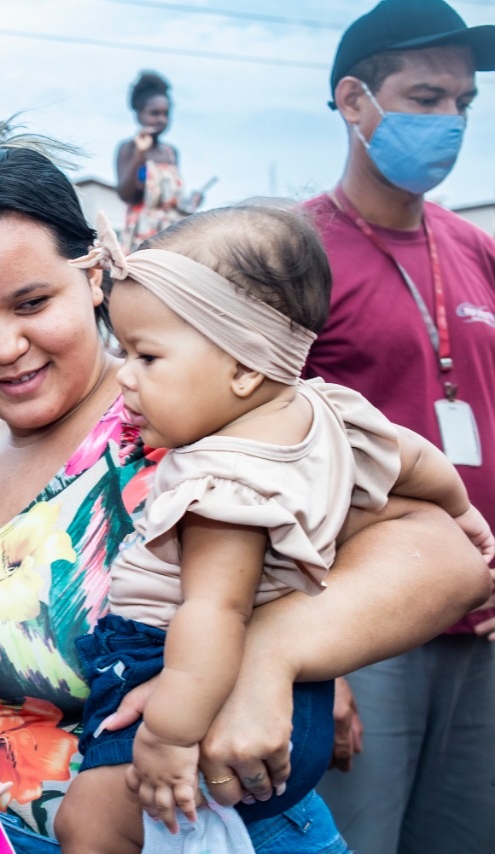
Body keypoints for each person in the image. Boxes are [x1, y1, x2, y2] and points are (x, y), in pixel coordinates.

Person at [0, 118, 495, 854]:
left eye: (31, 303)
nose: (4, 347)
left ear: (93, 278)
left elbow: (448, 558)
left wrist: (267, 657)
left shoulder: (193, 426)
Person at [53, 204, 493, 853]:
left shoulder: (221, 482)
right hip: (298, 698)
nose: (125, 375)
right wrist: (465, 516)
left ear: (244, 367)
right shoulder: (331, 413)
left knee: (88, 825)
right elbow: (418, 459)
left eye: (147, 356)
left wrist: (170, 734)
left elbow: (213, 611)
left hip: (187, 679)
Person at [304, 2, 495, 851]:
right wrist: (318, 657)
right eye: (425, 98)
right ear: (354, 101)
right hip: (361, 625)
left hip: (481, 622)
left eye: (464, 103)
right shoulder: (294, 253)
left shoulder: (476, 249)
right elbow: (252, 451)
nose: (449, 121)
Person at [114, 71, 202, 251]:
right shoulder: (128, 149)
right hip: (141, 236)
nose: (161, 119)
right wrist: (140, 153)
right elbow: (125, 194)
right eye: (154, 113)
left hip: (170, 235)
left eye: (166, 114)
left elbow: (171, 200)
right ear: (139, 114)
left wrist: (191, 203)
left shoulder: (171, 153)